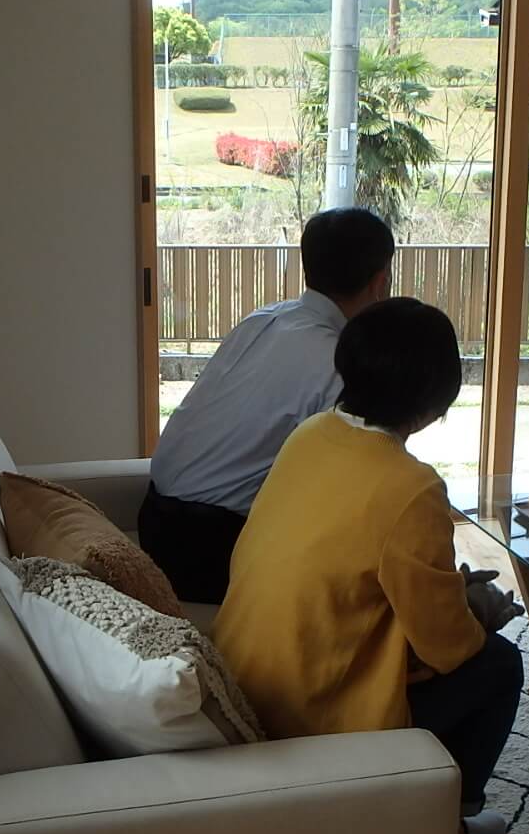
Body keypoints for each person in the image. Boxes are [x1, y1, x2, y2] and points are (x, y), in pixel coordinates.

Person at [212, 297, 529, 834]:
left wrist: (450, 591)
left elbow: (354, 571)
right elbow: (447, 648)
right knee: (498, 665)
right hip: (315, 712)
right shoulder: (412, 487)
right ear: (435, 402)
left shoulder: (311, 435)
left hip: (251, 678)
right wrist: (481, 612)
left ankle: (441, 820)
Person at [140, 207, 395, 603]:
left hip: (153, 519)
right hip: (209, 548)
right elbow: (354, 481)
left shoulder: (262, 320)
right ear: (380, 283)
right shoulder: (338, 360)